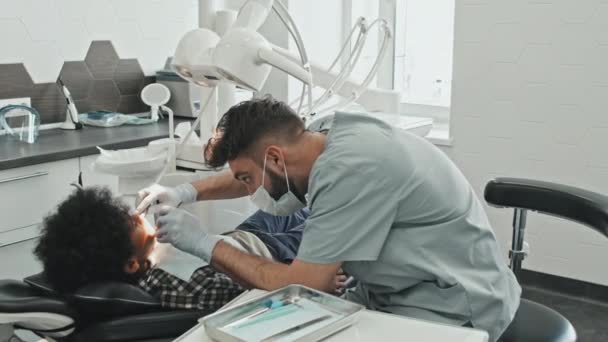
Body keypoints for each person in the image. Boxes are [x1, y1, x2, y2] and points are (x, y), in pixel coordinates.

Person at [137, 96, 521, 341]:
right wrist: (187, 191)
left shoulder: (349, 171)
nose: (248, 188)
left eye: (247, 178)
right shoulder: (321, 134)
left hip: (451, 303)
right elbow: (246, 174)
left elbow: (305, 283)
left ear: (274, 158)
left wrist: (206, 244)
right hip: (389, 291)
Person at [34, 186, 315, 312]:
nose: (137, 214)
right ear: (131, 264)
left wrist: (182, 194)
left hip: (244, 237)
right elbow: (256, 292)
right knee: (325, 216)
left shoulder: (150, 262)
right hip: (272, 254)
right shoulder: (187, 286)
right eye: (132, 221)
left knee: (289, 197)